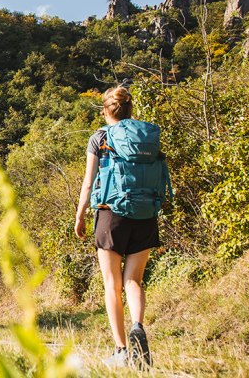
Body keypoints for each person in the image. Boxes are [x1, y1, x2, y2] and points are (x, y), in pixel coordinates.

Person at [74, 86, 158, 368]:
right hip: (145, 213)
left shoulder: (99, 137)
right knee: (134, 280)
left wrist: (80, 215)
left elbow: (88, 182)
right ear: (130, 110)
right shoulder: (146, 135)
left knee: (112, 284)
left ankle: (122, 350)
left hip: (110, 215)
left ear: (105, 111)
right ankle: (138, 326)